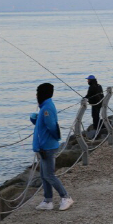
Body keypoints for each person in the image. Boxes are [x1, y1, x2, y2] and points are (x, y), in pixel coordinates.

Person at [31, 83, 73, 211]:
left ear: (42, 94)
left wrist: (52, 140)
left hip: (47, 147)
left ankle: (66, 197)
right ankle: (47, 200)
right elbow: (44, 124)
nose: (36, 95)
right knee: (44, 175)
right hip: (44, 146)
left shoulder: (47, 108)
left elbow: (52, 127)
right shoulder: (45, 107)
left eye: (38, 93)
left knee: (49, 175)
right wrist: (35, 119)